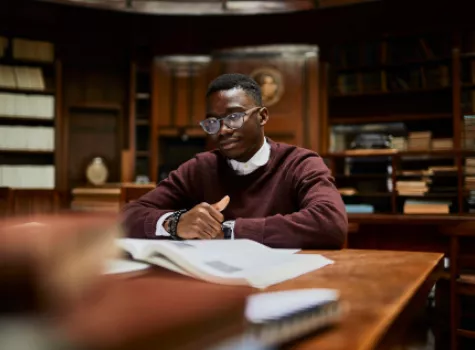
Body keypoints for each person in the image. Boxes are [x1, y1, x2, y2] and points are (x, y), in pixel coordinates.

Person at [121, 73, 347, 249]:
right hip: (215, 288)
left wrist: (229, 230)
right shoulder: (201, 168)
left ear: (262, 116)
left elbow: (330, 223)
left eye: (235, 117)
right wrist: (175, 223)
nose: (223, 130)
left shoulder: (300, 163)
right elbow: (128, 216)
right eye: (213, 122)